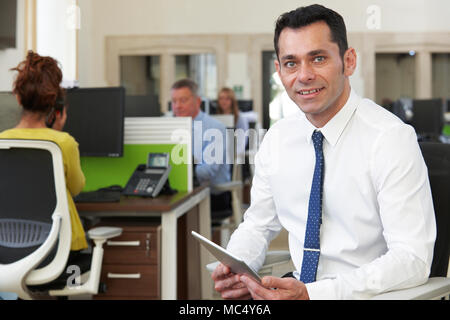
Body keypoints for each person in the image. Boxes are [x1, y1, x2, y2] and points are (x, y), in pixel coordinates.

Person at [212, 4, 436, 300]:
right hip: (294, 288)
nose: (304, 76)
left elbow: (413, 258)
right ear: (279, 71)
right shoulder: (278, 138)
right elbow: (257, 224)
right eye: (291, 63)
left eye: (318, 58)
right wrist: (239, 265)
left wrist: (315, 294)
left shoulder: (390, 139)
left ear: (349, 61)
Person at [0, 51, 88, 253]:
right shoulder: (63, 143)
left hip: (8, 251)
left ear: (18, 98)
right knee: (77, 272)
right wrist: (55, 134)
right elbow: (76, 188)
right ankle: (73, 284)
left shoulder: (1, 141)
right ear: (53, 104)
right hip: (60, 252)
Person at [171, 79, 231, 212]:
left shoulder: (216, 128)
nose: (177, 106)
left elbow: (209, 171)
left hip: (212, 196)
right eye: (174, 101)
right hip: (179, 192)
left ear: (197, 101)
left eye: (183, 100)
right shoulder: (169, 127)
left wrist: (176, 174)